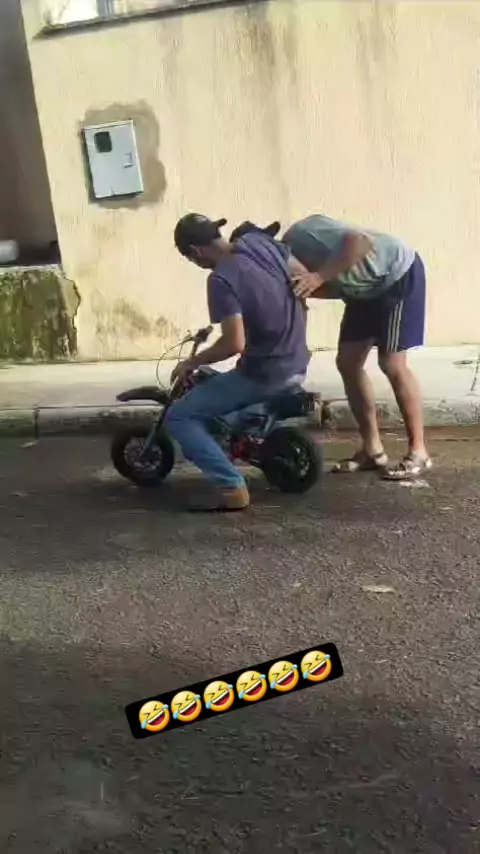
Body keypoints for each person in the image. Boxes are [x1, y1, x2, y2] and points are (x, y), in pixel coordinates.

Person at [164, 213, 310, 511]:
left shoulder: (220, 279)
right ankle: (241, 438)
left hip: (266, 373)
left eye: (190, 258)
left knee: (179, 416)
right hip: (297, 359)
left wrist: (192, 362)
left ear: (195, 251)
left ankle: (231, 487)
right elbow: (302, 277)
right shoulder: (259, 242)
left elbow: (234, 343)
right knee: (225, 387)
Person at [278, 214, 431, 480]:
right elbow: (309, 295)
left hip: (396, 275)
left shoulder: (302, 235)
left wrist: (319, 276)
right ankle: (372, 450)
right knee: (348, 363)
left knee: (392, 363)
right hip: (363, 291)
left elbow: (360, 242)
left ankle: (419, 452)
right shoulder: (279, 271)